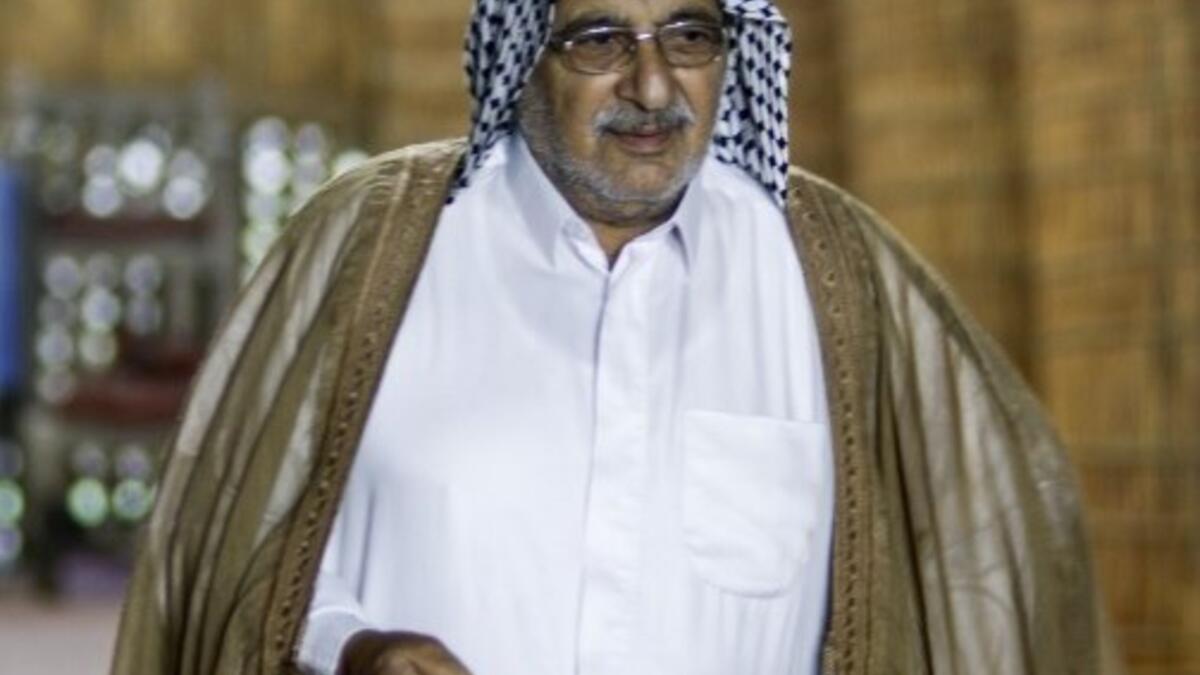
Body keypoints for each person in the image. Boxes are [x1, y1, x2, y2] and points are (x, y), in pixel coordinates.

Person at [111, 0, 1123, 673]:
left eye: (689, 36)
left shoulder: (837, 281)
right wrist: (352, 647)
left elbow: (984, 570)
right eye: (600, 40)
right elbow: (244, 552)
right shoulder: (373, 249)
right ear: (520, 51)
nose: (652, 86)